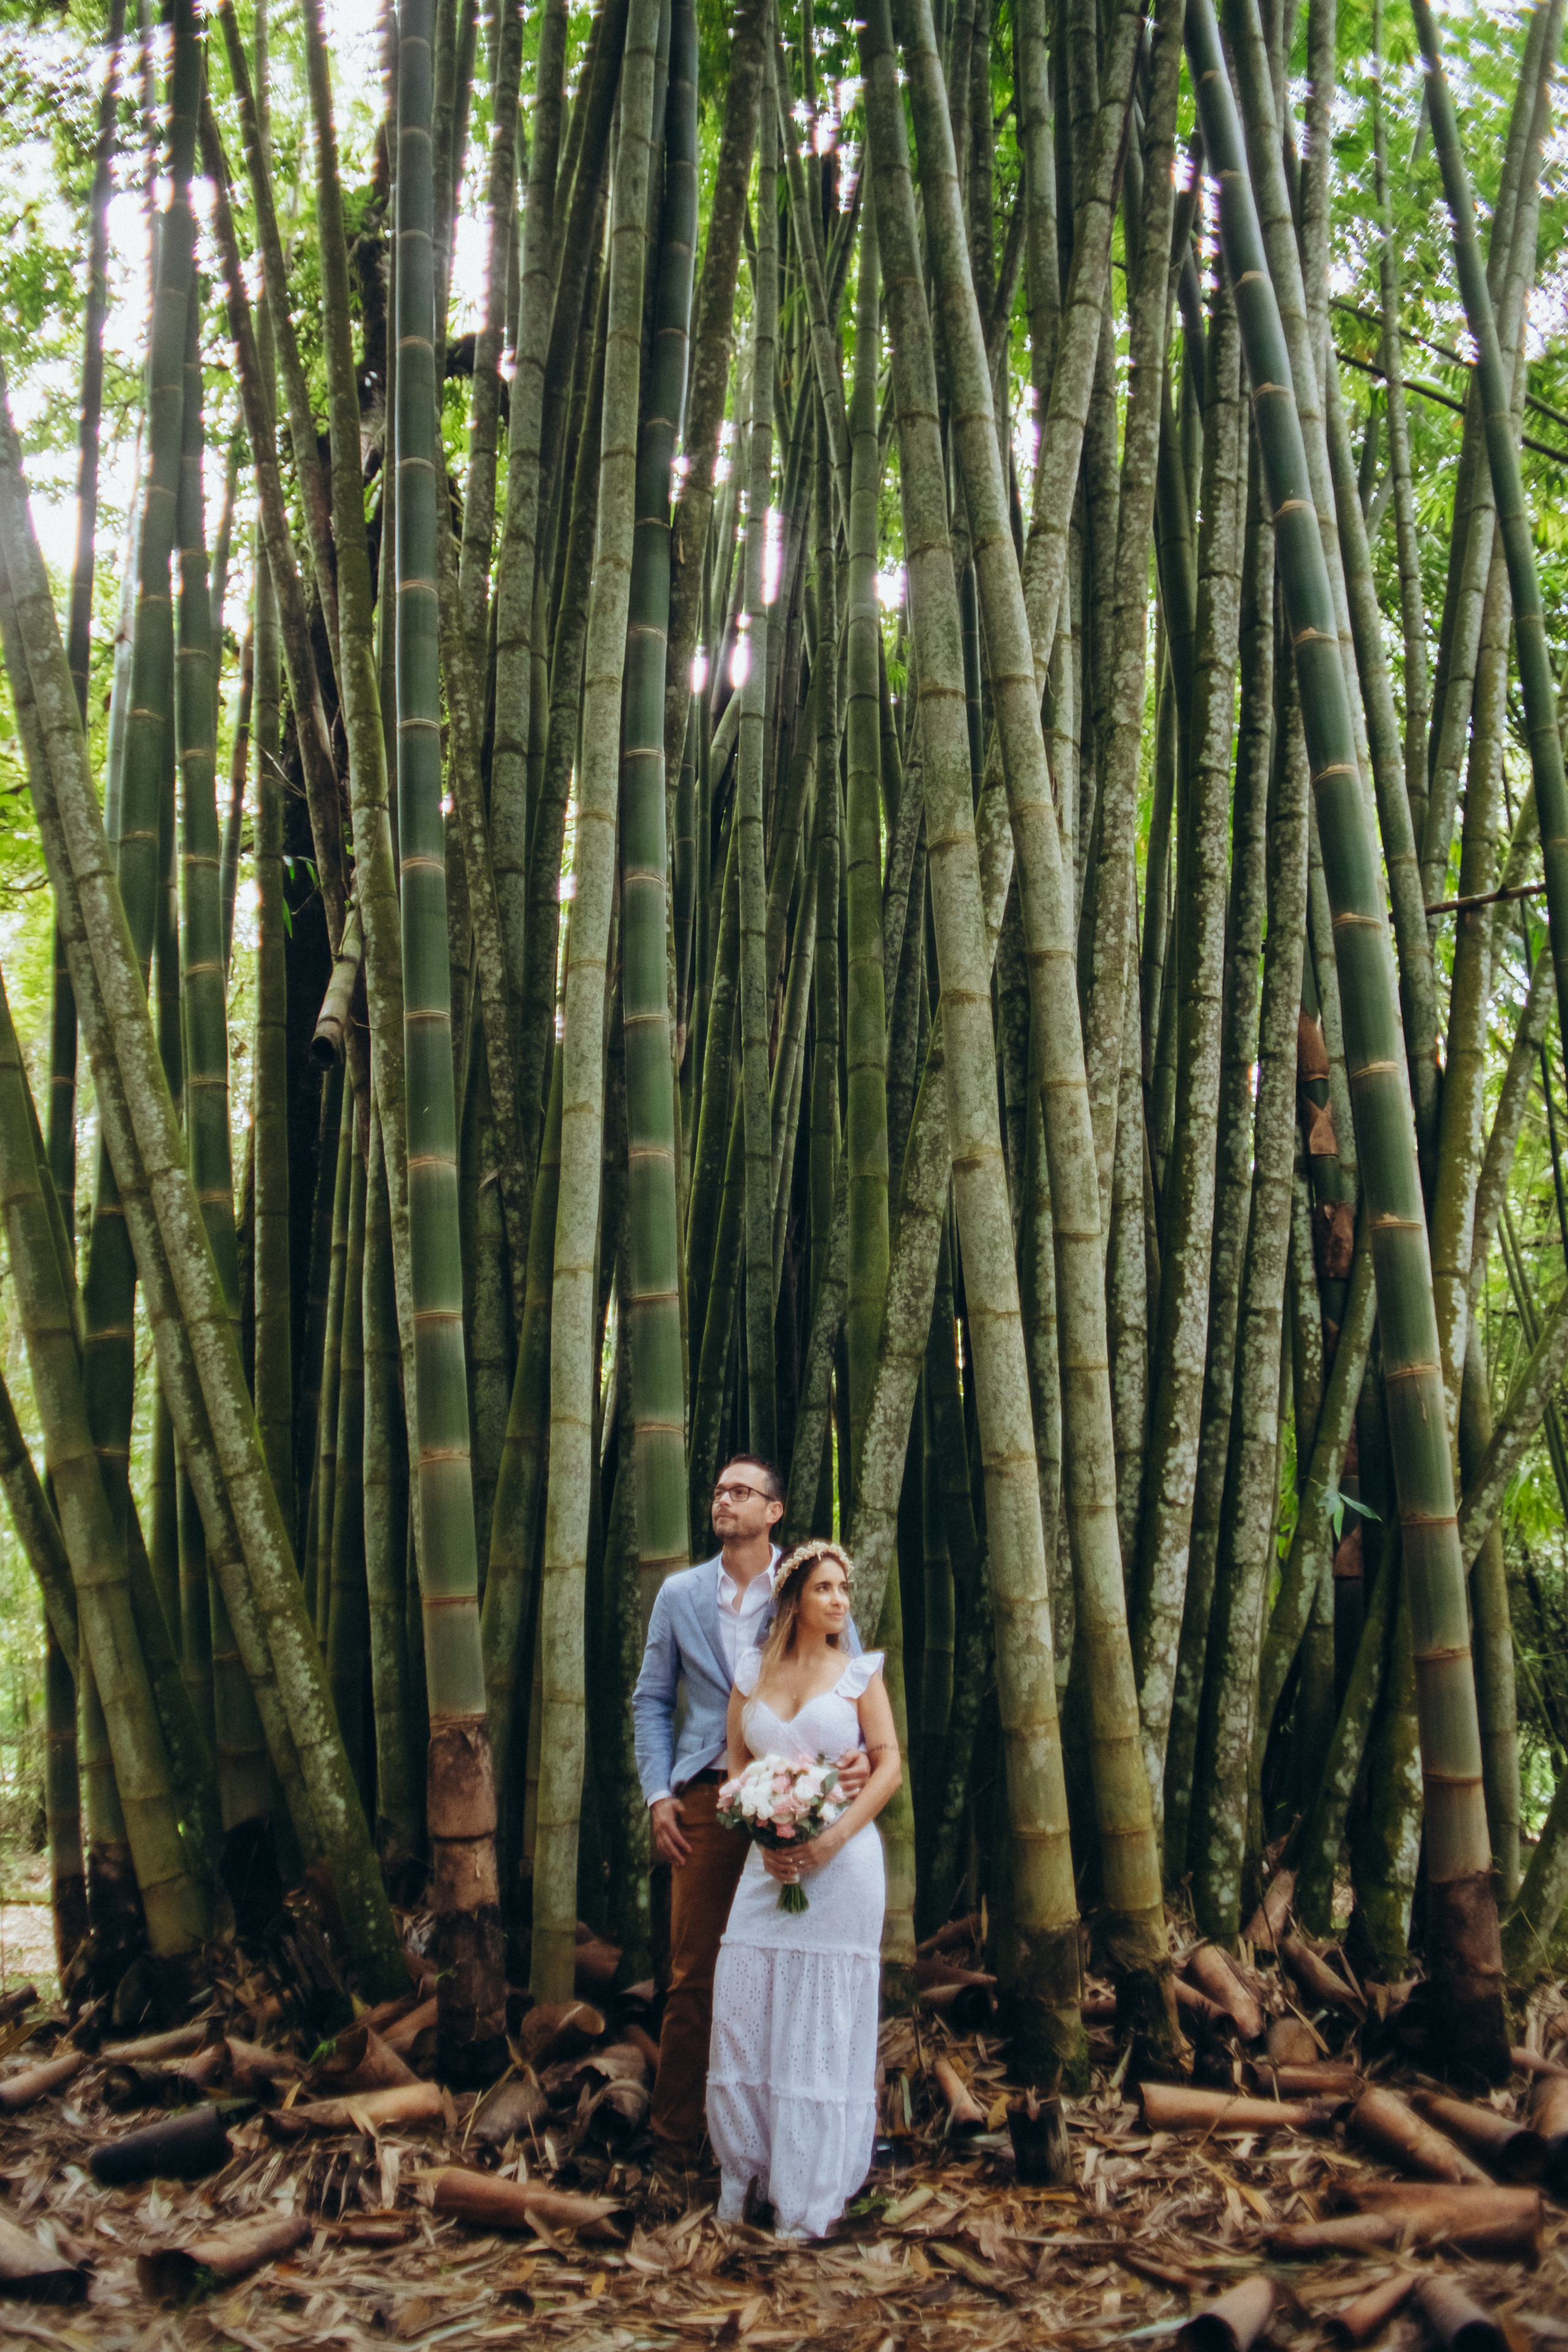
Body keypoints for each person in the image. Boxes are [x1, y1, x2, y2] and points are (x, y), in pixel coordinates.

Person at [631, 1458, 868, 2157]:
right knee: (693, 1970)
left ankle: (779, 2141)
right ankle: (676, 2139)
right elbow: (650, 1699)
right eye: (718, 1492)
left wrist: (856, 1754)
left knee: (793, 1967)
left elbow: (852, 1678)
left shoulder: (804, 1587)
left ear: (774, 1512)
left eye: (741, 1492)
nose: (723, 1501)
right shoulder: (679, 1595)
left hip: (803, 1796)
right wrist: (658, 1794)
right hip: (708, 1794)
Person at [706, 1539, 902, 2241]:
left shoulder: (858, 1674)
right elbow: (736, 1763)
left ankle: (807, 2198)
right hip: (768, 1865)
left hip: (841, 1864)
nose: (840, 1601)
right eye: (825, 1589)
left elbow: (887, 1767)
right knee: (744, 2000)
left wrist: (829, 1837)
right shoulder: (751, 1671)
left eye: (844, 1590)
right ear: (792, 1598)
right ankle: (743, 2177)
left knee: (817, 2020)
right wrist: (760, 1826)